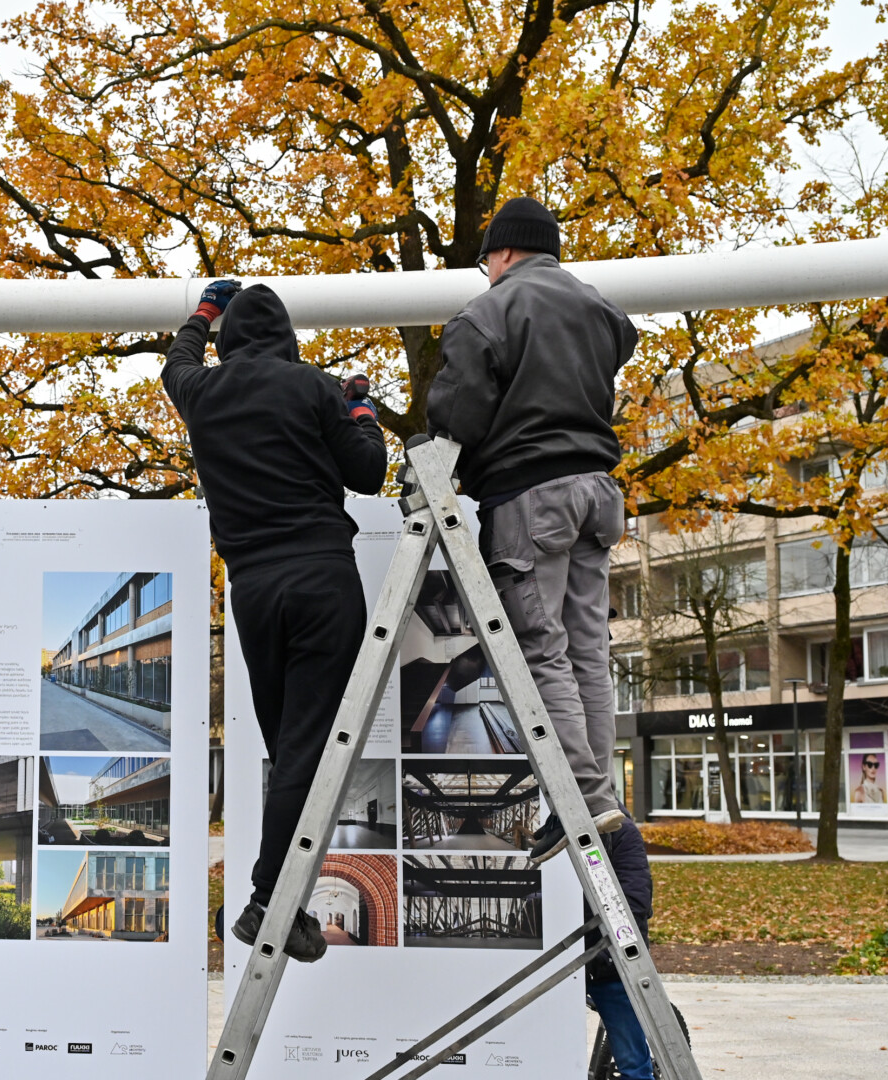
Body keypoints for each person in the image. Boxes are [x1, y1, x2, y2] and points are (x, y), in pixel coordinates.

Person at [163, 280, 388, 962]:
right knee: (306, 750)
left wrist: (204, 312)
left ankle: (280, 900)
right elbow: (368, 473)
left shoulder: (202, 391)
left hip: (253, 592)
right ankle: (269, 900)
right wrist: (361, 407)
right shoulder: (312, 386)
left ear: (226, 340)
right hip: (321, 580)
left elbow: (177, 360)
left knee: (290, 750)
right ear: (287, 339)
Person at [426, 196, 639, 865]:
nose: (486, 270)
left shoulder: (487, 313)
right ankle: (597, 796)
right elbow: (623, 338)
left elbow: (456, 416)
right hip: (598, 493)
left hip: (531, 499)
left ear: (505, 251)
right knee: (587, 652)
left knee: (541, 651)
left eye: (486, 258)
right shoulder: (599, 309)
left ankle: (582, 801)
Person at [587, 808, 655, 1080]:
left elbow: (635, 900)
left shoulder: (622, 831)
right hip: (566, 958)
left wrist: (605, 952)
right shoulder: (553, 831)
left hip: (610, 960)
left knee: (633, 1066)